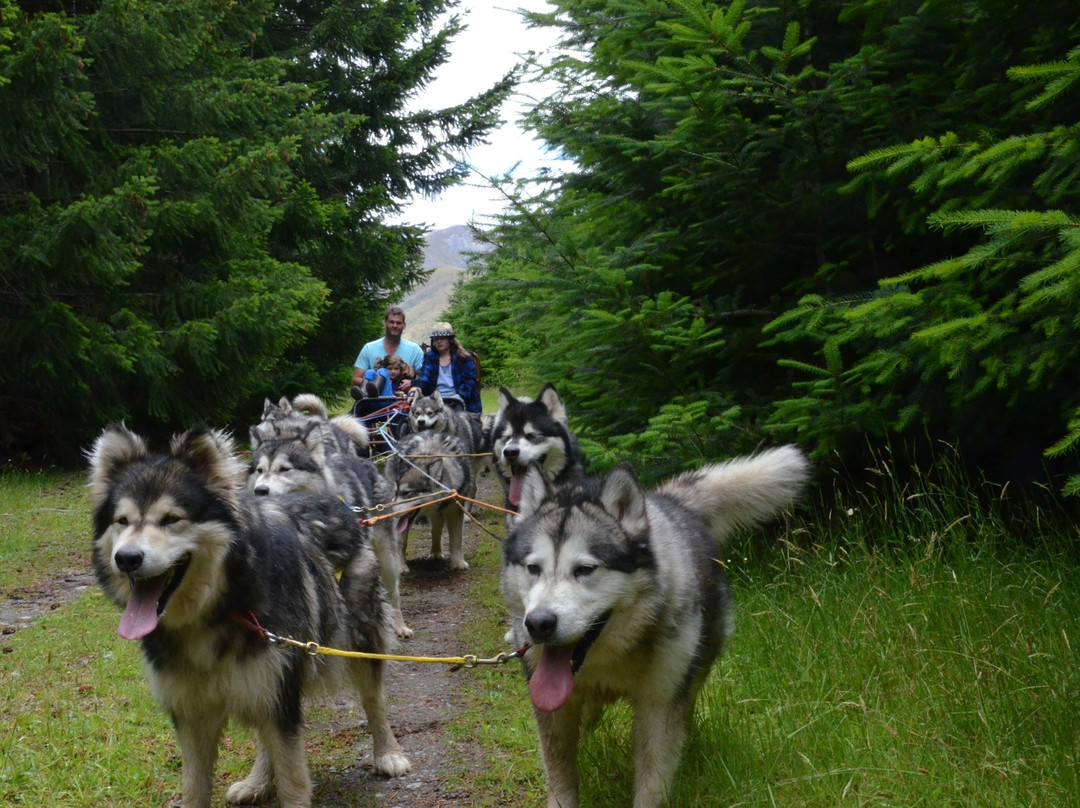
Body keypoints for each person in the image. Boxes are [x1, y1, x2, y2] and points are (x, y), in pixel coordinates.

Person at [351, 306, 424, 400]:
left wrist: (413, 384)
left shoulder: (414, 350)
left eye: (398, 323)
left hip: (399, 400)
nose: (395, 325)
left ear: (404, 325)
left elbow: (427, 377)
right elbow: (356, 379)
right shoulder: (369, 348)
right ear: (385, 323)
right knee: (370, 372)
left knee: (382, 371)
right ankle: (365, 393)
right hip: (370, 400)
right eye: (391, 322)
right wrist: (376, 383)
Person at [411, 322, 482, 413]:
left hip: (460, 400)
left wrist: (459, 396)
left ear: (450, 340)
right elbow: (425, 376)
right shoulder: (430, 357)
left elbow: (469, 381)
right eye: (436, 339)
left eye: (443, 338)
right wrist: (418, 387)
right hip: (436, 399)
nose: (439, 341)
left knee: (457, 417)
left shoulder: (463, 357)